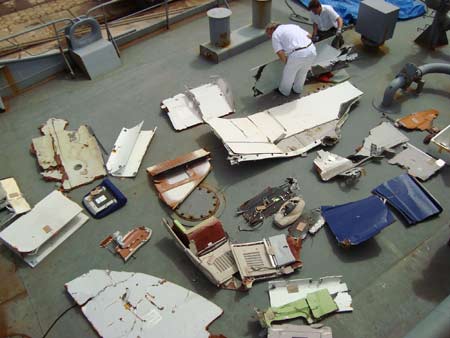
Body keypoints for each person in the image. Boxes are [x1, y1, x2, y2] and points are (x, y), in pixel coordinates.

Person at [265, 22, 316, 97]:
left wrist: (287, 63)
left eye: (269, 34)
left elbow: (279, 52)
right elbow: (309, 35)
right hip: (311, 49)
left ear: (272, 29)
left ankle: (284, 92)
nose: (269, 36)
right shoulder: (292, 26)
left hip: (298, 53)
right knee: (303, 72)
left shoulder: (275, 34)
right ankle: (297, 90)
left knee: (288, 74)